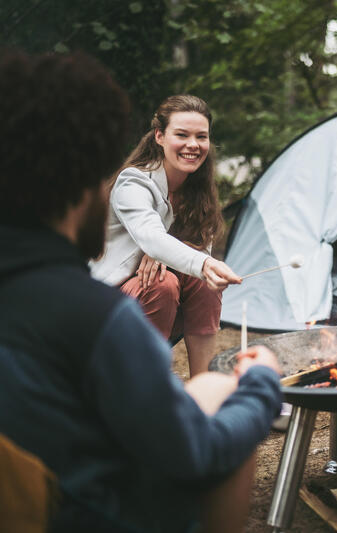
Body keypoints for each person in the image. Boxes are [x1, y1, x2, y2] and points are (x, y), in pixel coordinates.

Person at [0, 50, 283, 532]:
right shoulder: (94, 317)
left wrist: (185, 256)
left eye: (202, 136)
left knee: (208, 377)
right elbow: (195, 452)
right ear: (87, 183)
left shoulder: (196, 190)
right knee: (219, 385)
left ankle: (198, 379)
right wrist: (260, 387)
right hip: (81, 512)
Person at [90, 94, 240, 376]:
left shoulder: (199, 191)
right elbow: (150, 235)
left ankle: (201, 388)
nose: (193, 145)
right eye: (181, 135)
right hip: (105, 306)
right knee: (161, 282)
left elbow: (188, 250)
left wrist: (178, 259)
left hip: (159, 307)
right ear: (159, 136)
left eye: (201, 136)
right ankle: (145, 391)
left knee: (203, 283)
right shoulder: (133, 182)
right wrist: (202, 264)